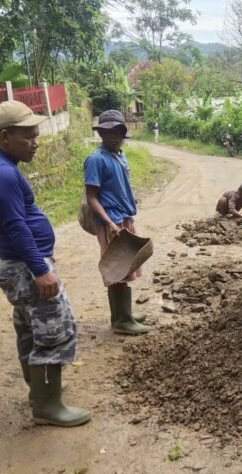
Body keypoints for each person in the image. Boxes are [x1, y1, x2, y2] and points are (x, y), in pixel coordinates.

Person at [0, 101, 90, 427]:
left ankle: (40, 388)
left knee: (29, 328)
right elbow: (16, 226)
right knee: (54, 330)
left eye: (36, 135)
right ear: (5, 136)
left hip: (17, 263)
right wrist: (40, 270)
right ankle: (46, 405)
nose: (36, 142)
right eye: (29, 136)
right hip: (25, 266)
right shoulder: (2, 175)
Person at [84, 109, 150, 335]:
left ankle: (123, 313)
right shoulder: (95, 159)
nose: (114, 135)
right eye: (109, 131)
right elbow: (91, 197)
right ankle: (122, 320)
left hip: (124, 218)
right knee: (117, 269)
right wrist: (109, 223)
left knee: (126, 267)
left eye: (118, 131)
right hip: (111, 222)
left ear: (124, 134)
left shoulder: (120, 156)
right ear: (101, 133)